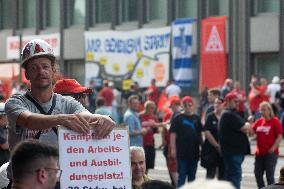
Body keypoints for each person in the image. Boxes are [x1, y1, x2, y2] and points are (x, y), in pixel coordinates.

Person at [5, 39, 115, 184]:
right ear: (27, 75)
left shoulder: (67, 103)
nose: (41, 72)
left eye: (45, 66)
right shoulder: (15, 102)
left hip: (59, 182)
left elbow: (87, 116)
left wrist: (103, 118)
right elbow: (28, 120)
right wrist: (61, 119)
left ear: (53, 71)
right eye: (34, 68)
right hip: (25, 183)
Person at [219, 92, 251, 189]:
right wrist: (248, 124)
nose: (237, 103)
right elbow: (245, 128)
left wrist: (247, 125)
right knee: (234, 178)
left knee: (232, 178)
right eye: (235, 101)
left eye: (238, 101)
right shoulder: (228, 114)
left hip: (234, 152)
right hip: (233, 152)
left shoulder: (232, 114)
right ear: (228, 102)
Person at [170, 96, 203, 187]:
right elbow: (173, 134)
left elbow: (200, 134)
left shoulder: (196, 118)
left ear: (192, 106)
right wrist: (173, 148)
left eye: (189, 105)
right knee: (182, 176)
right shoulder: (178, 117)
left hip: (194, 151)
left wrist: (202, 147)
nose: (187, 107)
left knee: (192, 177)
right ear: (182, 106)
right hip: (182, 152)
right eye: (185, 105)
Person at [250, 102, 282, 189]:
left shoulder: (275, 121)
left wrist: (273, 148)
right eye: (261, 110)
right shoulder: (259, 121)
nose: (262, 112)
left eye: (264, 109)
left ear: (269, 110)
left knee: (269, 176)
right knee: (257, 174)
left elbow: (279, 136)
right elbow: (251, 133)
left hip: (270, 154)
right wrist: (250, 122)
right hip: (259, 153)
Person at [201, 97, 225, 180]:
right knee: (210, 174)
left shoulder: (226, 116)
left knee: (222, 175)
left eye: (219, 103)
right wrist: (217, 146)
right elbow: (206, 132)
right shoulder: (210, 116)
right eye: (215, 103)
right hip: (211, 149)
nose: (216, 105)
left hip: (223, 150)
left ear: (223, 105)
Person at [139, 100, 164, 174]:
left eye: (154, 108)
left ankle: (144, 179)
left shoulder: (154, 117)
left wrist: (154, 127)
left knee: (148, 165)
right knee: (141, 164)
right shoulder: (140, 116)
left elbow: (157, 130)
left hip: (151, 143)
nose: (153, 110)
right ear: (146, 108)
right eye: (151, 108)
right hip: (141, 143)